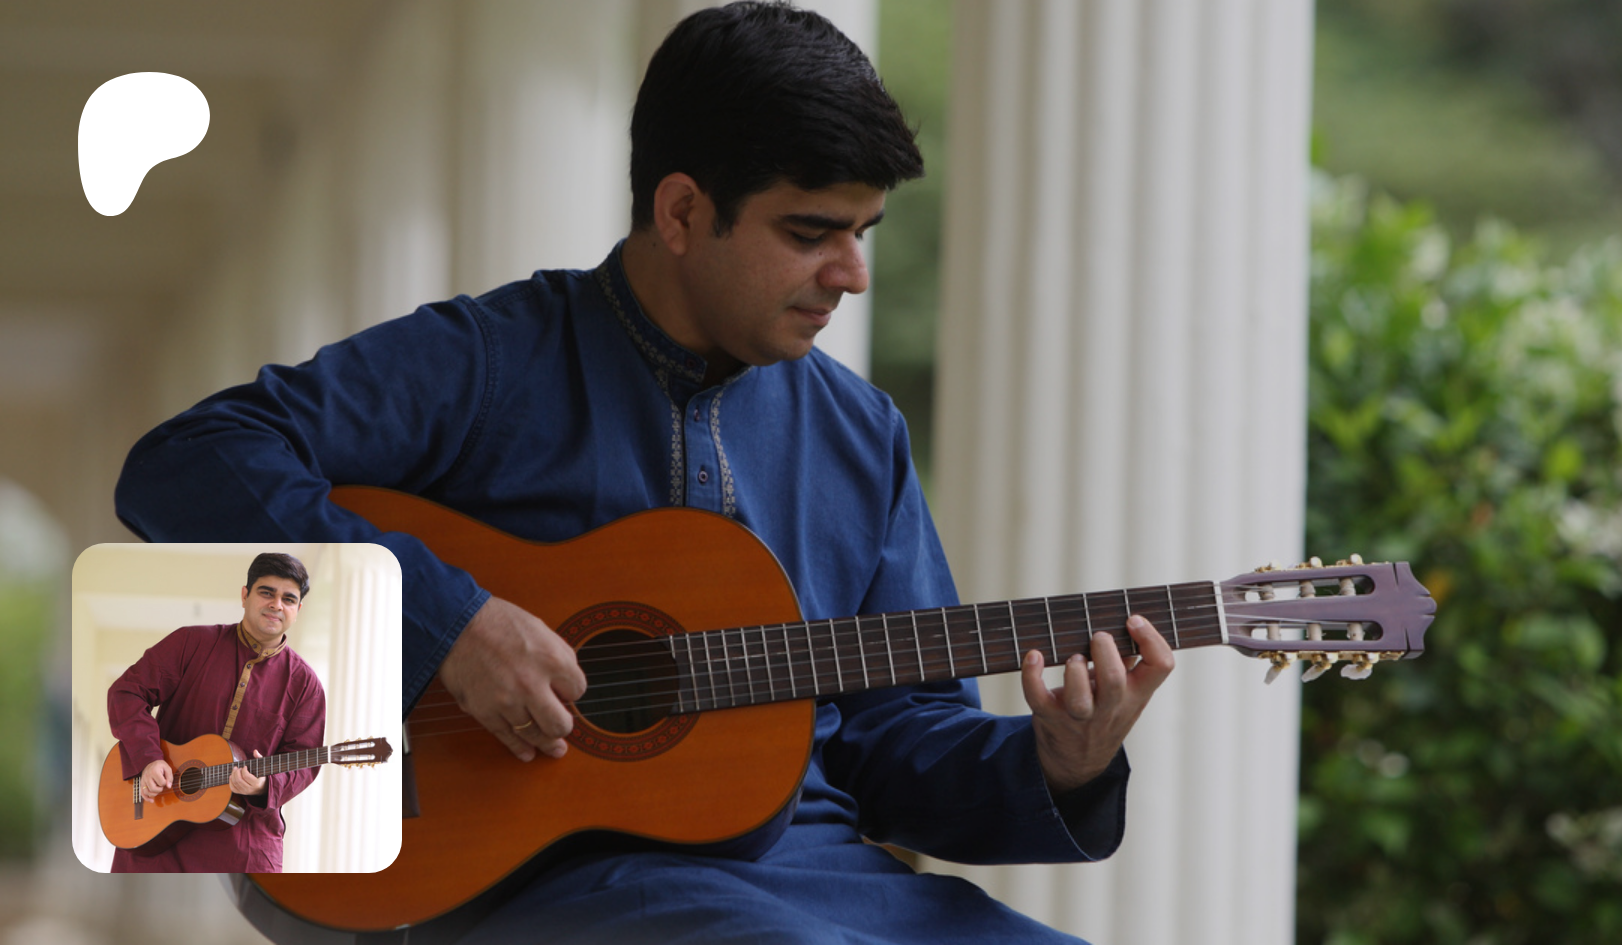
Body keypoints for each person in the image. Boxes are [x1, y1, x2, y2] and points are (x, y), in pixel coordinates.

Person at [115, 1, 1171, 939]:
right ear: (681, 213)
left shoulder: (862, 434)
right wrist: (450, 626)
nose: (852, 274)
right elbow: (187, 463)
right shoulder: (490, 360)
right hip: (540, 886)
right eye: (812, 231)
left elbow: (900, 742)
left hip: (821, 876)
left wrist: (1060, 760)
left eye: (863, 232)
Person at [107, 552, 327, 873]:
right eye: (266, 592)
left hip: (241, 844)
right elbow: (127, 693)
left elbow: (304, 762)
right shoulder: (191, 642)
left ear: (298, 610)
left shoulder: (306, 686)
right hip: (155, 822)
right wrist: (148, 758)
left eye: (288, 599)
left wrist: (263, 785)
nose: (276, 605)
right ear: (245, 595)